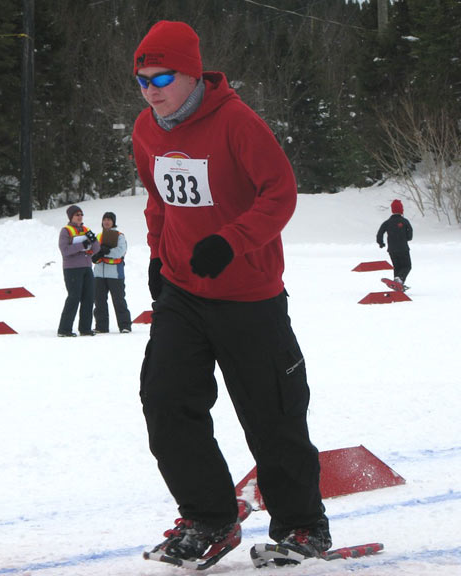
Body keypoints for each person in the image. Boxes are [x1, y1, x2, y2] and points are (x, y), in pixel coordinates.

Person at [132, 20, 331, 565]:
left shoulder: (237, 122)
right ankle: (209, 518)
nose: (151, 90)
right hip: (182, 292)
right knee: (166, 401)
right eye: (142, 80)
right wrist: (157, 255)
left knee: (272, 414)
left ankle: (303, 527)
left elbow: (280, 193)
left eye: (161, 78)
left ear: (191, 73)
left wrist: (232, 241)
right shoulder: (147, 130)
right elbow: (157, 199)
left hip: (249, 294)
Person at [57, 204, 99, 337]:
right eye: (77, 215)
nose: (80, 217)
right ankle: (64, 329)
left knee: (89, 298)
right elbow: (65, 250)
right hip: (72, 269)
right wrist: (82, 245)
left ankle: (85, 328)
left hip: (87, 267)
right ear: (71, 217)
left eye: (81, 215)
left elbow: (97, 249)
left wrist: (93, 241)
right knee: (74, 297)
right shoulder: (66, 231)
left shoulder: (86, 229)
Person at [91, 211, 132, 333]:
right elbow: (91, 251)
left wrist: (106, 252)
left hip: (115, 274)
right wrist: (96, 254)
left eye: (109, 219)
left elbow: (121, 251)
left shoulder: (119, 236)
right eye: (105, 219)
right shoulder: (98, 236)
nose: (106, 222)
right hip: (99, 274)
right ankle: (101, 326)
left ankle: (125, 326)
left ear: (113, 222)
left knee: (119, 300)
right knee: (99, 301)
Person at [376, 199, 413, 287]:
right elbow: (410, 233)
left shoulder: (387, 222)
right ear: (401, 210)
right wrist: (407, 238)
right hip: (403, 248)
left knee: (397, 267)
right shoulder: (404, 221)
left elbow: (380, 233)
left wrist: (381, 243)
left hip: (392, 250)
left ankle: (397, 284)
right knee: (407, 266)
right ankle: (399, 280)